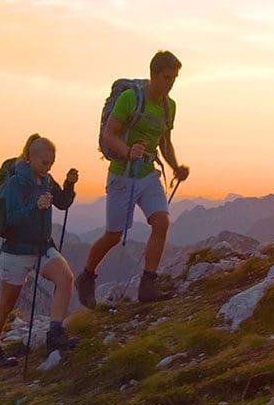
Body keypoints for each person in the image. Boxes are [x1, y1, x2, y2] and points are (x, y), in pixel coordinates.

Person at [76, 50, 189, 308]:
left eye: (174, 78)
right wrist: (127, 152)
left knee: (161, 223)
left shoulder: (169, 106)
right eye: (166, 77)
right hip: (122, 175)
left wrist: (175, 167)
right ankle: (87, 276)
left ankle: (148, 284)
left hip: (148, 173)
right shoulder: (130, 98)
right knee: (113, 236)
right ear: (153, 75)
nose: (170, 83)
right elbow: (109, 133)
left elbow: (164, 142)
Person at [0, 134, 80, 368]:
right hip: (16, 250)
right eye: (44, 163)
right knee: (7, 304)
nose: (48, 168)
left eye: (51, 163)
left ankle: (55, 333)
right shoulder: (17, 182)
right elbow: (11, 218)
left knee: (65, 278)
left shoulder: (46, 179)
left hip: (41, 247)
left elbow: (63, 203)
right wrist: (34, 206)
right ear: (29, 157)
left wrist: (69, 183)